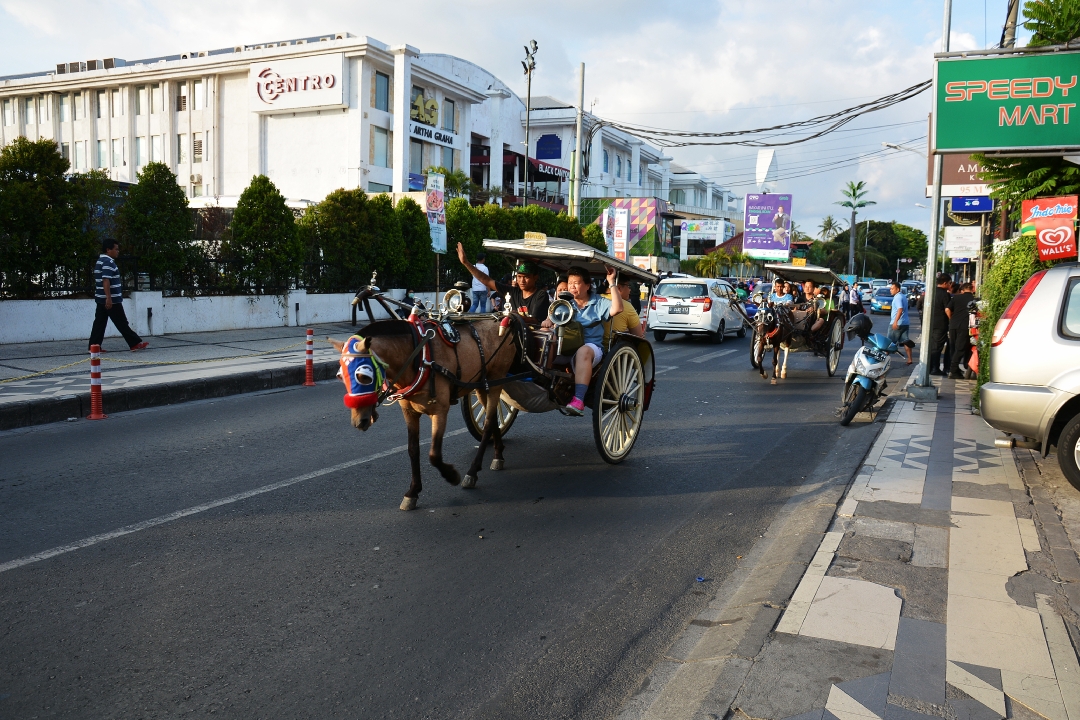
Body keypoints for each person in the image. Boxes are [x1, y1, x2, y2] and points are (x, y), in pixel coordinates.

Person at [540, 265, 622, 416]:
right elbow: (551, 320)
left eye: (576, 283)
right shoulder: (565, 303)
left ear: (587, 285)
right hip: (565, 347)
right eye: (570, 283)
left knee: (583, 351)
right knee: (545, 335)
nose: (572, 286)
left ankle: (578, 399)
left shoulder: (599, 302)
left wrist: (612, 282)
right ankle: (540, 378)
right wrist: (547, 323)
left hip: (591, 349)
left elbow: (617, 308)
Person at [457, 244, 550, 324]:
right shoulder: (512, 292)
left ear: (535, 277)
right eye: (519, 277)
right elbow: (486, 280)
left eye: (526, 277)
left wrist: (516, 317)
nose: (522, 281)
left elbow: (536, 320)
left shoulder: (541, 295)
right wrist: (466, 263)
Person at [89, 239, 148, 352]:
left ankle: (94, 346)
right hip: (112, 300)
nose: (118, 251)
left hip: (100, 299)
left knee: (99, 323)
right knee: (122, 323)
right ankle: (135, 343)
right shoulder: (108, 262)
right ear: (108, 250)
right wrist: (109, 298)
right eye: (116, 249)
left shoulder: (100, 261)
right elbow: (106, 280)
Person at [603, 276, 646, 346]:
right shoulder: (626, 306)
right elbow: (638, 336)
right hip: (611, 349)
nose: (630, 290)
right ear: (619, 288)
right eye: (628, 286)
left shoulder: (595, 299)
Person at [946, 282, 975, 379]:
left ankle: (955, 369)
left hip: (953, 325)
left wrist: (951, 319)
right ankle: (953, 370)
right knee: (960, 348)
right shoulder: (974, 300)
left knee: (953, 348)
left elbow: (947, 309)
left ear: (962, 290)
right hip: (964, 326)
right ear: (972, 289)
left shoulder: (956, 298)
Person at [928, 273, 952, 376]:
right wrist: (952, 319)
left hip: (930, 323)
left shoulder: (931, 292)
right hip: (941, 324)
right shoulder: (944, 294)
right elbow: (947, 309)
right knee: (937, 347)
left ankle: (929, 367)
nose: (950, 286)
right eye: (950, 283)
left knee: (931, 346)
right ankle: (935, 368)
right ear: (945, 283)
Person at [888, 280, 914, 365]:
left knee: (888, 343)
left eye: (892, 289)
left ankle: (882, 360)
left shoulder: (897, 297)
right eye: (890, 288)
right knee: (905, 341)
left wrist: (895, 321)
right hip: (905, 323)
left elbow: (900, 309)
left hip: (897, 323)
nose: (890, 290)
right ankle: (910, 359)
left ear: (898, 289)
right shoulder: (903, 296)